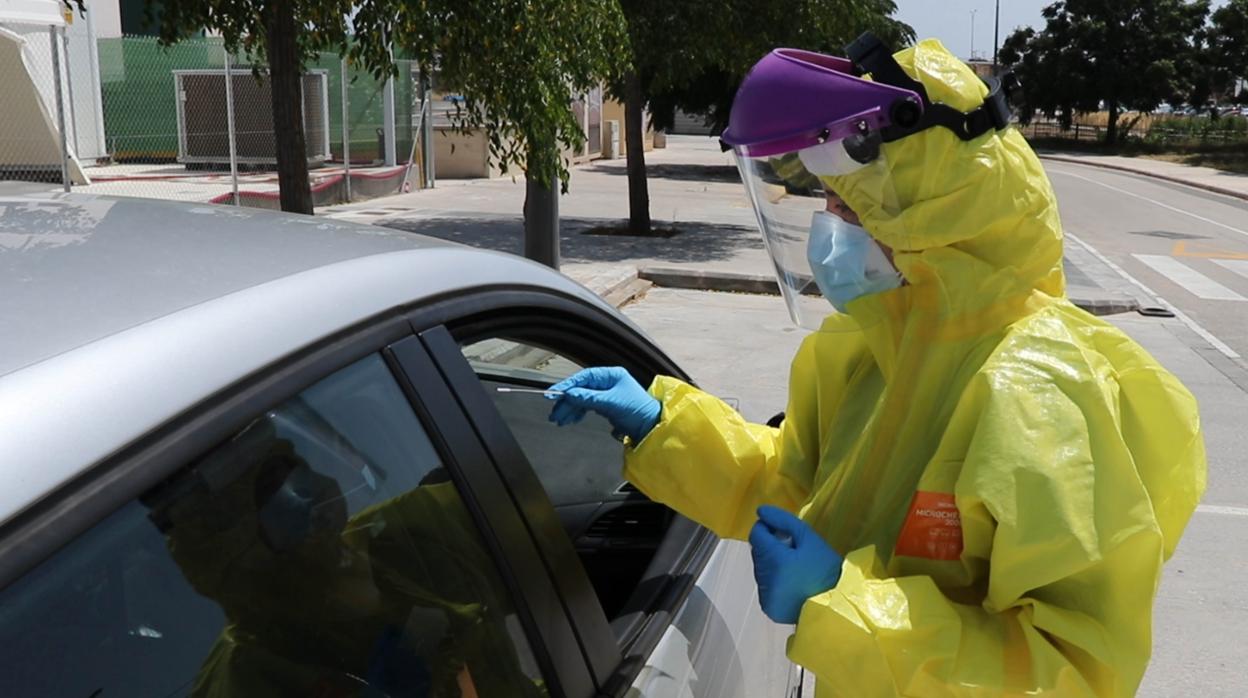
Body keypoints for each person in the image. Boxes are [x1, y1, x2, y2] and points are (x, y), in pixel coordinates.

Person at [548, 34, 1206, 697]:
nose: (829, 232)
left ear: (932, 221)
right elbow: (799, 492)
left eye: (848, 209)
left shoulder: (1042, 393)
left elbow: (1071, 671)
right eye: (828, 205)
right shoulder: (879, 351)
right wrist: (667, 426)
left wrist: (847, 602)